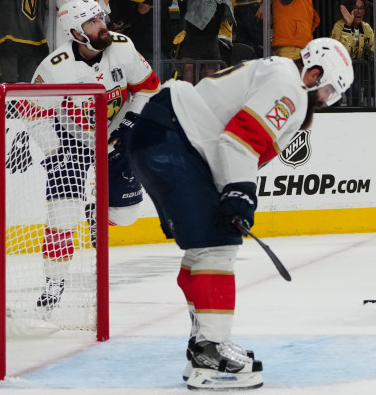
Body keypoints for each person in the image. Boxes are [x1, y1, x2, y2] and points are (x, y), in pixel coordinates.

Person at [123, 38, 353, 390]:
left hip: (165, 135)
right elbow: (239, 140)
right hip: (173, 138)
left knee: (205, 245)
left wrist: (233, 191)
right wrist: (239, 193)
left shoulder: (276, 74)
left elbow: (228, 140)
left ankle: (202, 345)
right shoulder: (289, 87)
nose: (325, 101)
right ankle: (210, 353)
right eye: (329, 91)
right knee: (217, 244)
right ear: (316, 73)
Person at [29, 0, 161, 309]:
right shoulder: (54, 68)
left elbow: (149, 87)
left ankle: (94, 214)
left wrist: (129, 124)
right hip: (70, 142)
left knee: (127, 216)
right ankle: (53, 283)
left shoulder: (122, 46)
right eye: (92, 22)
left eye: (100, 18)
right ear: (76, 33)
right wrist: (52, 150)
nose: (102, 25)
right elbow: (33, 112)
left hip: (115, 139)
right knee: (63, 216)